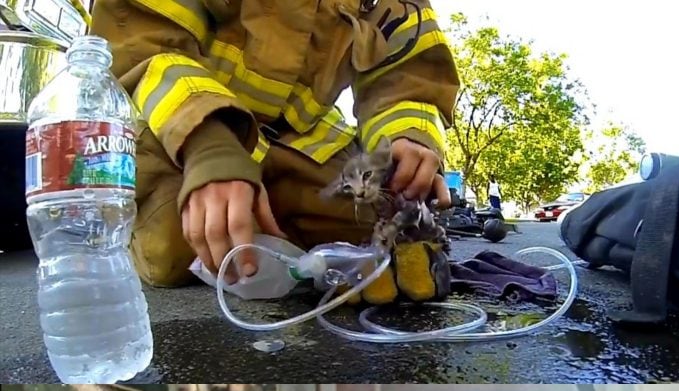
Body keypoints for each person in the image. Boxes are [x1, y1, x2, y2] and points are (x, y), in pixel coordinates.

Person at [90, 0, 459, 294]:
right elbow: (145, 45)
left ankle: (271, 229)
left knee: (382, 221)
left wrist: (407, 139)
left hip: (299, 144)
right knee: (180, 244)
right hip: (177, 132)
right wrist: (210, 150)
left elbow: (409, 75)